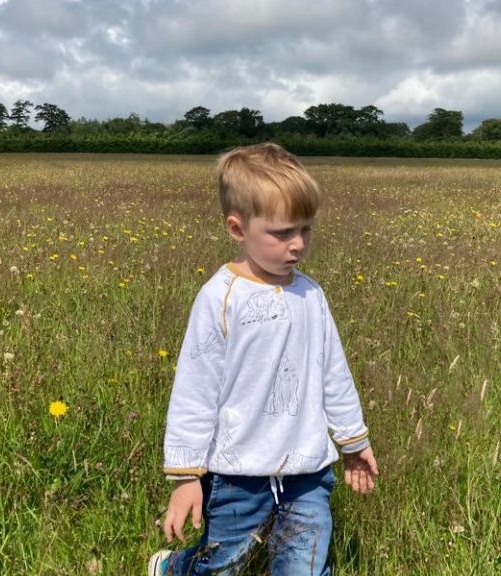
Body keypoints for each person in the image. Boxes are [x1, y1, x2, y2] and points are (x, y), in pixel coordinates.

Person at [149, 143, 378, 575]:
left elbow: (334, 373)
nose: (297, 245)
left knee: (304, 567)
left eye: (306, 230)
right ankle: (173, 568)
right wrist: (185, 478)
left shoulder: (311, 295)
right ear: (237, 228)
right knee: (221, 564)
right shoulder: (220, 298)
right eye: (281, 233)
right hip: (237, 474)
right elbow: (195, 392)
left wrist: (353, 442)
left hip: (307, 471)